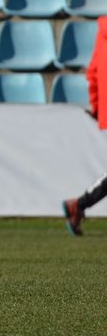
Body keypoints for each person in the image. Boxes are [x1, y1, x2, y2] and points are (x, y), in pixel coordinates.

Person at [63, 16, 107, 236]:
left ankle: (78, 205)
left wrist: (99, 107)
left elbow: (93, 72)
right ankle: (78, 204)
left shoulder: (102, 32)